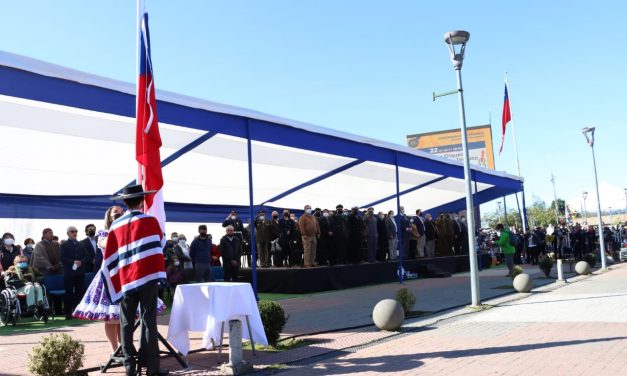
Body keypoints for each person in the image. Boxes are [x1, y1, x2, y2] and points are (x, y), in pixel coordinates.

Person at [73, 205, 166, 356]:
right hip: (109, 278)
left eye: (121, 213)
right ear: (108, 217)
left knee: (123, 316)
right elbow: (105, 244)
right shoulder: (103, 233)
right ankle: (114, 349)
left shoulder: (127, 229)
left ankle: (125, 346)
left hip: (126, 277)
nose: (119, 215)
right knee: (111, 318)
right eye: (115, 214)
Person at [102, 185, 168, 376]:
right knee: (149, 321)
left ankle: (129, 369)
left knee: (126, 323)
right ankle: (152, 369)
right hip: (147, 277)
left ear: (125, 202)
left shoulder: (116, 225)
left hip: (125, 280)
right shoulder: (150, 220)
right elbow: (160, 244)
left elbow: (110, 257)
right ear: (141, 201)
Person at [60, 226, 87, 319]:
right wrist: (73, 262)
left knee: (79, 292)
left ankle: (78, 311)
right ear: (68, 233)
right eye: (72, 231)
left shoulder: (81, 244)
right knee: (69, 293)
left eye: (76, 231)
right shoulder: (64, 245)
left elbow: (86, 256)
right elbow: (62, 258)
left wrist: (81, 262)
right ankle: (68, 312)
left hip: (80, 272)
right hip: (69, 273)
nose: (74, 233)